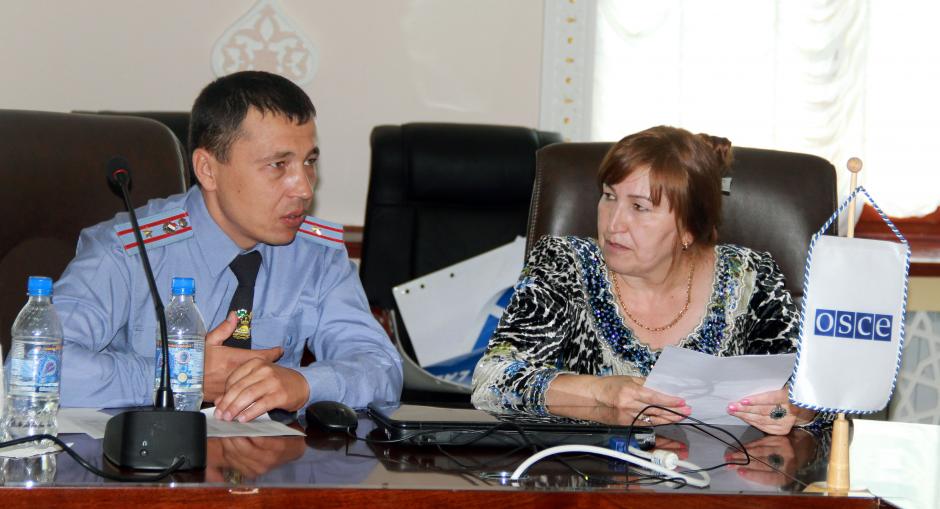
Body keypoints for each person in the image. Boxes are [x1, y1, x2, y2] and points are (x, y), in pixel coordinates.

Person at [56, 71, 402, 421]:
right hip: (147, 450)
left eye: (309, 162)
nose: (304, 188)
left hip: (270, 453)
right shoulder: (127, 250)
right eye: (278, 165)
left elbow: (382, 367)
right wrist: (176, 375)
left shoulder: (316, 254)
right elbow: (41, 361)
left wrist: (304, 384)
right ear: (207, 170)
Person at [471, 125, 819, 435]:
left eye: (639, 207)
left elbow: (818, 396)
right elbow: (492, 381)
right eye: (609, 196)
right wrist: (599, 394)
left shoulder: (750, 276)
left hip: (720, 478)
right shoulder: (563, 264)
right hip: (585, 475)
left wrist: (795, 410)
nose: (613, 224)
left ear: (689, 227)